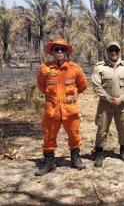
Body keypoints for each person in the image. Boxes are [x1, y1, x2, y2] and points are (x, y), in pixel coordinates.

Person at [35, 38, 88, 176]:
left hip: (70, 109)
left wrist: (73, 95)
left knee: (74, 134)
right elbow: (41, 85)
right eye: (56, 49)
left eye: (62, 49)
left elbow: (83, 85)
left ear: (66, 52)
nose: (59, 51)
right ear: (52, 52)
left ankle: (75, 159)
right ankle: (49, 162)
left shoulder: (75, 69)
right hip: (52, 109)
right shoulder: (44, 69)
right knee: (49, 136)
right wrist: (52, 96)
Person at [91, 42, 124, 167]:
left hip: (122, 104)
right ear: (107, 51)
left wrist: (121, 98)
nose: (113, 53)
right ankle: (99, 153)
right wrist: (110, 99)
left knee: (123, 128)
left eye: (116, 50)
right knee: (102, 129)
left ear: (119, 51)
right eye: (111, 50)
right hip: (105, 104)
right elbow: (96, 86)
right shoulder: (99, 67)